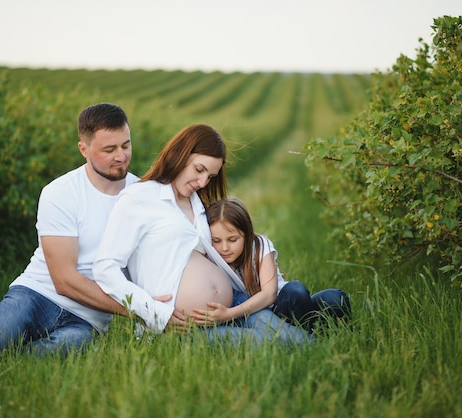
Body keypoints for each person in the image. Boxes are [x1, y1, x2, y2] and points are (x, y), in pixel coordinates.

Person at [0, 102, 146, 356]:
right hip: (37, 295)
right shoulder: (61, 193)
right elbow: (64, 281)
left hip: (87, 319)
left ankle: (10, 363)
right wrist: (135, 308)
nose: (121, 156)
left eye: (126, 145)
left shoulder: (142, 196)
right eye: (109, 149)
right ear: (84, 149)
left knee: (62, 349)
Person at [92, 124, 313, 346]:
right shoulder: (139, 198)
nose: (203, 182)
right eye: (199, 170)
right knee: (268, 344)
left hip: (232, 304)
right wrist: (151, 310)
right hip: (182, 323)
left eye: (210, 176)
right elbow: (105, 267)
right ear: (180, 154)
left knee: (299, 341)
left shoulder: (198, 204)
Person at [191, 197, 351, 333]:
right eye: (216, 241)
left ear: (246, 235)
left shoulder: (259, 245)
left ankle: (307, 333)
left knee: (334, 297)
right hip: (262, 316)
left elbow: (269, 295)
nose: (224, 248)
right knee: (305, 299)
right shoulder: (211, 257)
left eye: (232, 240)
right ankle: (312, 334)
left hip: (283, 305)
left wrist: (229, 314)